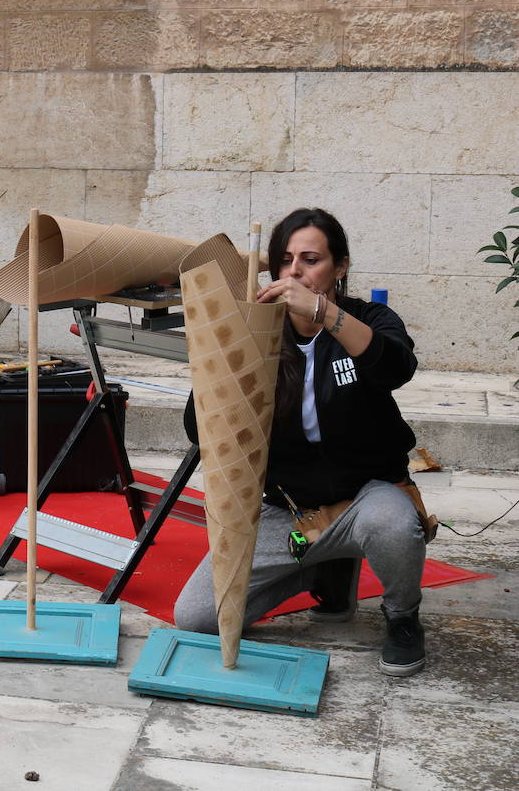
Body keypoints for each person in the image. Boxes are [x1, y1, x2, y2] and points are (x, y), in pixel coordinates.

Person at [174, 207, 429, 676]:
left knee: (393, 525)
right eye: (285, 260)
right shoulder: (258, 329)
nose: (294, 271)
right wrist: (225, 347)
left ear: (341, 266)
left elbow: (396, 367)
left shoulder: (368, 319)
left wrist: (324, 313)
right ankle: (319, 567)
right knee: (197, 618)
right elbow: (201, 429)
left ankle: (402, 617)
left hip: (366, 497)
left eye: (311, 259)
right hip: (291, 512)